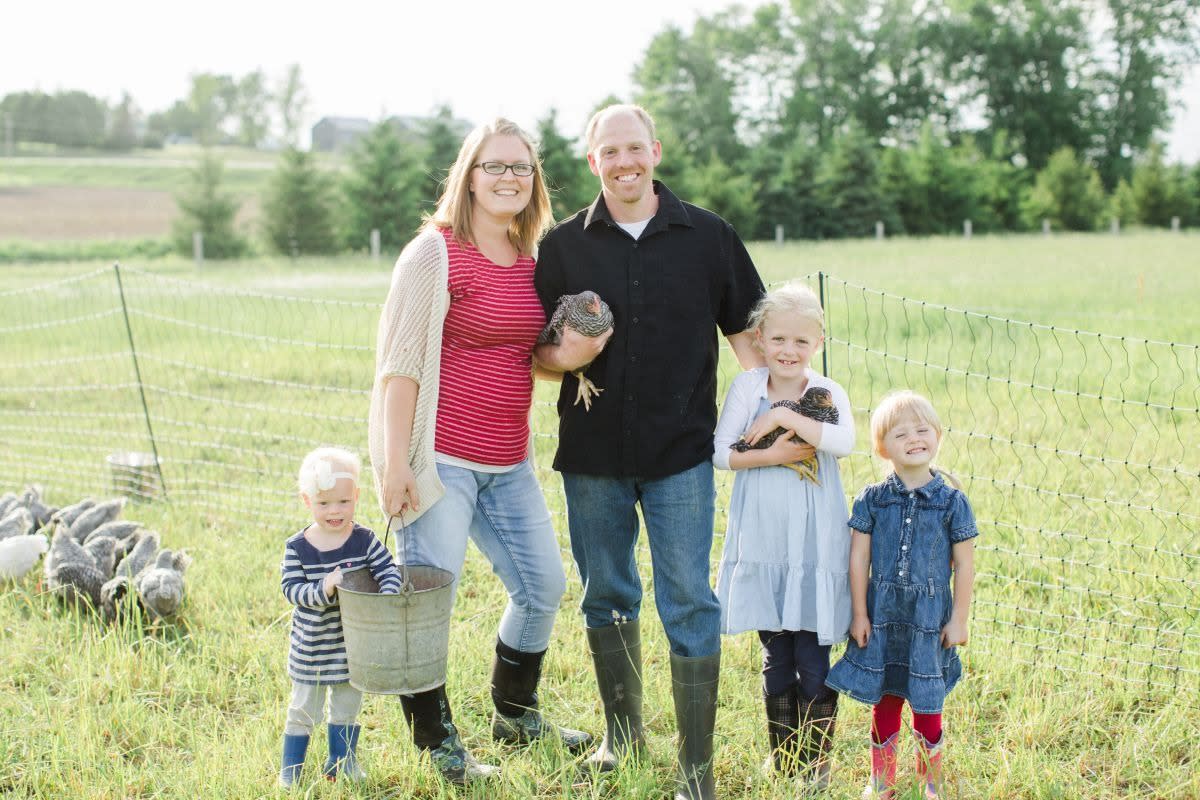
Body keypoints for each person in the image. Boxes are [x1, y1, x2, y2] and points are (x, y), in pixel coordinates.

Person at [533, 103, 766, 800]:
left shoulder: (709, 236)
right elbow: (537, 353)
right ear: (592, 161)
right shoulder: (562, 246)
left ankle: (696, 769)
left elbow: (748, 338)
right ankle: (624, 740)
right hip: (592, 456)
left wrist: (774, 417)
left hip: (681, 454)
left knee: (689, 600)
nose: (624, 162)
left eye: (634, 148)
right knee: (606, 593)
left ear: (655, 151)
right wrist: (568, 354)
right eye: (610, 152)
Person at [368, 118, 591, 786]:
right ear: (468, 176)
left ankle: (514, 714)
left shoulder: (531, 258)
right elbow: (400, 366)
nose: (508, 178)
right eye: (494, 165)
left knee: (543, 586)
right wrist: (394, 464)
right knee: (427, 602)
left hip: (509, 461)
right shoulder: (433, 254)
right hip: (440, 461)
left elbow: (527, 354)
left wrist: (574, 354)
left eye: (521, 167)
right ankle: (437, 744)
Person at [712, 281, 854, 788]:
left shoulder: (826, 391)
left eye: (801, 341)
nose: (788, 351)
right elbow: (721, 453)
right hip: (764, 538)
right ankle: (785, 759)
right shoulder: (747, 388)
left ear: (818, 342)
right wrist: (772, 454)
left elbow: (843, 441)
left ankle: (816, 764)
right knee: (776, 656)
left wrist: (781, 415)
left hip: (814, 542)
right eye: (778, 340)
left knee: (813, 654)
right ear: (759, 338)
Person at [825, 391, 977, 799]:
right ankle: (882, 782)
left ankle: (931, 782)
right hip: (884, 615)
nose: (914, 439)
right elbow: (859, 559)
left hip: (928, 619)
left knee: (927, 700)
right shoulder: (873, 499)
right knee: (886, 698)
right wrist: (860, 614)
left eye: (922, 430)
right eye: (901, 433)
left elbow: (964, 565)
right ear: (882, 447)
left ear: (938, 436)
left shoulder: (952, 502)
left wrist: (959, 619)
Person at [279, 446, 402, 788]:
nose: (334, 511)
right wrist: (324, 587)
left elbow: (388, 570)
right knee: (304, 710)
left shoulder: (363, 540)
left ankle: (341, 761)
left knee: (347, 707)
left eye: (343, 502)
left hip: (352, 648)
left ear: (356, 496)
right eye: (323, 503)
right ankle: (291, 769)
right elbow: (291, 590)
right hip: (312, 650)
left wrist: (386, 598)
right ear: (307, 501)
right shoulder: (298, 548)